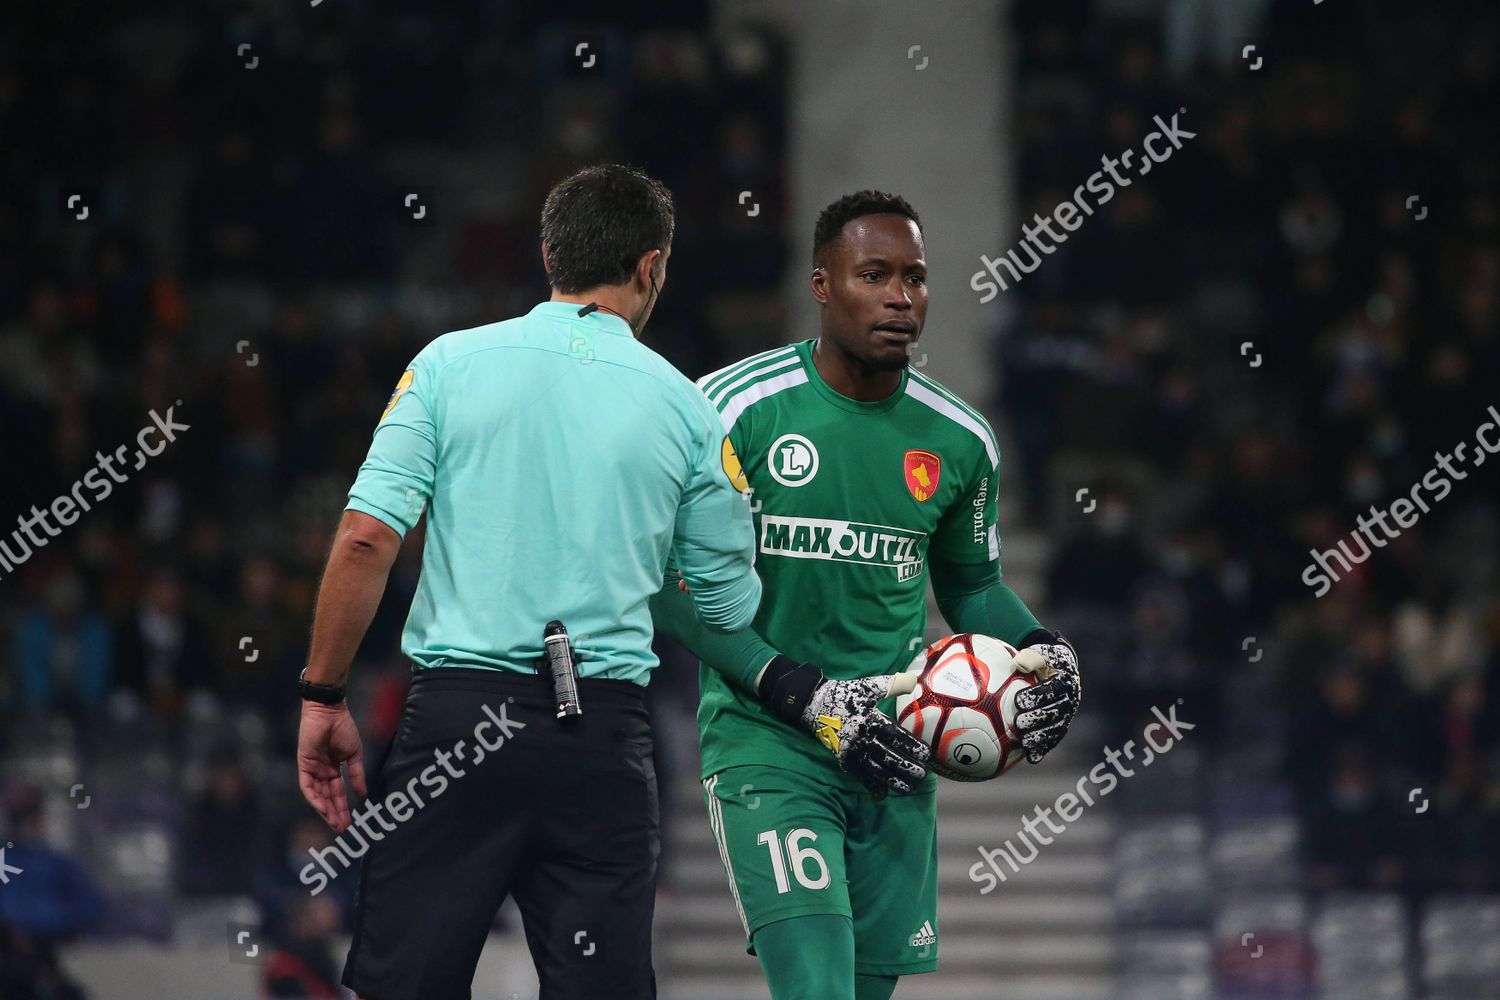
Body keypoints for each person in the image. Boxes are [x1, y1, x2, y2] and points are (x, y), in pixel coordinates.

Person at [294, 163, 765, 1000]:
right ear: (652, 266)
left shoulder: (446, 365)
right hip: (601, 742)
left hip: (457, 724)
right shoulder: (689, 409)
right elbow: (725, 606)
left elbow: (366, 538)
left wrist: (324, 694)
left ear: (549, 254)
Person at [650, 191, 1083, 1000]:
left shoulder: (959, 440)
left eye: (915, 278)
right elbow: (664, 582)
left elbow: (972, 583)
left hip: (892, 752)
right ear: (821, 285)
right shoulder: (730, 410)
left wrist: (1045, 650)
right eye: (874, 274)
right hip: (769, 743)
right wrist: (797, 692)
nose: (900, 297)